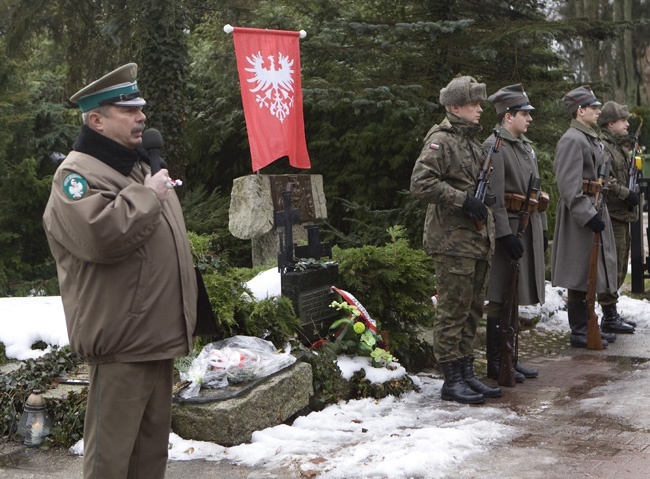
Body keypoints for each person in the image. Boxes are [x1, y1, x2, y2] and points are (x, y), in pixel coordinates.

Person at [43, 63, 198, 479]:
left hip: (155, 336)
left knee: (149, 459)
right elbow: (102, 238)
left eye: (140, 109)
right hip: (121, 343)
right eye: (128, 110)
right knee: (109, 463)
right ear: (96, 120)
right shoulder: (76, 177)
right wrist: (147, 196)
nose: (141, 117)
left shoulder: (136, 166)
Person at [411, 75, 501, 404]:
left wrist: (483, 199)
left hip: (475, 241)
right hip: (452, 243)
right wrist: (464, 200)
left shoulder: (471, 142)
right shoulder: (442, 140)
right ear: (454, 107)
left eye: (479, 104)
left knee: (472, 310)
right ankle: (451, 379)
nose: (479, 110)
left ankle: (466, 373)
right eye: (473, 104)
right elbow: (420, 184)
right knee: (452, 311)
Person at [482, 84, 548, 384]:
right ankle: (497, 363)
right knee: (500, 297)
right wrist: (505, 235)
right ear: (508, 116)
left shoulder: (522, 145)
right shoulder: (495, 146)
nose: (529, 119)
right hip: (507, 230)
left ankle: (511, 358)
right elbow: (493, 197)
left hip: (523, 225)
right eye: (524, 114)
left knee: (514, 294)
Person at [551, 85, 618, 348]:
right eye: (593, 107)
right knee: (579, 272)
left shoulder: (590, 137)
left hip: (595, 206)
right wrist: (586, 214)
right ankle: (579, 329)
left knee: (590, 272)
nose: (599, 111)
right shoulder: (572, 139)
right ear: (581, 111)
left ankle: (589, 323)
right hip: (580, 214)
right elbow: (568, 186)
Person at [596, 102, 637, 334]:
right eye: (623, 120)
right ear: (611, 123)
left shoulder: (619, 147)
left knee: (621, 265)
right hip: (612, 213)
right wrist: (625, 193)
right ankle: (609, 315)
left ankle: (612, 312)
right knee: (613, 264)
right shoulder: (604, 147)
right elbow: (605, 179)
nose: (627, 124)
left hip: (622, 214)